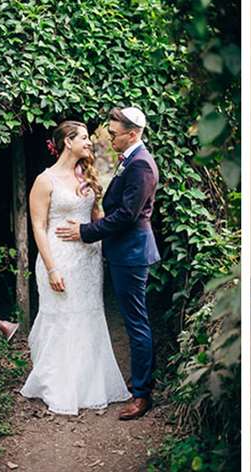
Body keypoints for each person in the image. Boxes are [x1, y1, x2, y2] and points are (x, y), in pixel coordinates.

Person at [56, 107, 160, 420]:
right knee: (134, 319)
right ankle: (141, 381)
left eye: (114, 133)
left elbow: (127, 217)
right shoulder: (132, 160)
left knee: (136, 322)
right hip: (123, 252)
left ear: (132, 133)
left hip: (131, 254)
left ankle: (142, 395)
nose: (110, 137)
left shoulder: (141, 165)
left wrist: (85, 231)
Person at [21, 120, 131, 415]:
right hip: (58, 259)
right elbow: (38, 226)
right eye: (83, 137)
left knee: (89, 316)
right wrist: (52, 267)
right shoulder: (45, 181)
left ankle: (89, 385)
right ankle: (60, 386)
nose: (89, 142)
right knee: (62, 317)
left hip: (89, 261)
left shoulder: (86, 177)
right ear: (67, 142)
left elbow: (96, 217)